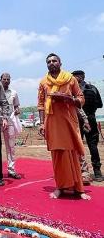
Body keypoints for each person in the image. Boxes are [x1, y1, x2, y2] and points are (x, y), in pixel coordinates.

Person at [38, 53, 90, 200]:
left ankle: (79, 189)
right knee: (57, 155)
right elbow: (41, 105)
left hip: (69, 121)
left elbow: (81, 98)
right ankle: (60, 187)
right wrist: (41, 123)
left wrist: (69, 99)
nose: (51, 63)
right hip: (52, 122)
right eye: (49, 61)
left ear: (60, 63)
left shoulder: (70, 79)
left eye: (54, 61)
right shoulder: (43, 82)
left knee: (73, 153)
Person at [72, 70, 103, 182]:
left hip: (77, 120)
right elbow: (100, 104)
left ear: (78, 77)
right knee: (93, 145)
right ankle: (97, 172)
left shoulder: (73, 90)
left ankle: (81, 172)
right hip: (91, 119)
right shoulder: (93, 88)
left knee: (77, 146)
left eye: (74, 77)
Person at [0, 73, 22, 179]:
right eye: (4, 79)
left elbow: (17, 106)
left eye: (8, 79)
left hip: (10, 121)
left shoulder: (14, 93)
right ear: (0, 80)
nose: (6, 81)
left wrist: (17, 110)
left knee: (11, 147)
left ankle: (11, 170)